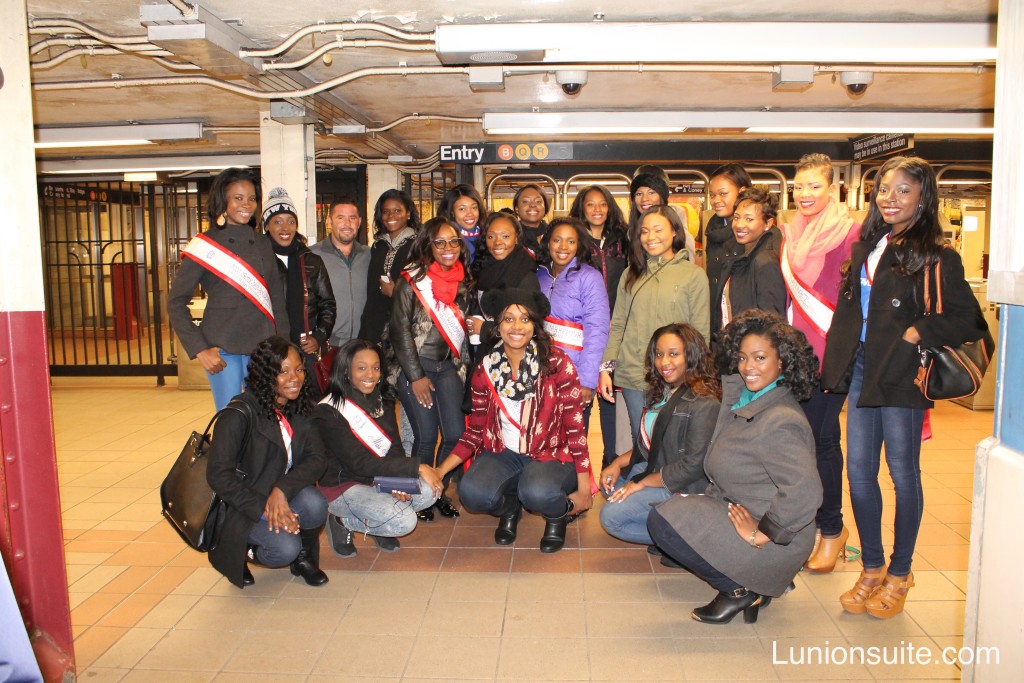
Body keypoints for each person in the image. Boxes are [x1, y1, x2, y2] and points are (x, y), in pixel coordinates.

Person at [822, 156, 989, 618]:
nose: (890, 198)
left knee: (902, 473)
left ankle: (900, 573)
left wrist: (916, 332)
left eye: (903, 190)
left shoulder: (937, 255)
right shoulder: (871, 245)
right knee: (859, 474)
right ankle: (872, 567)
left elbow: (969, 320)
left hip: (901, 373)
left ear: (923, 197)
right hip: (862, 368)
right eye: (883, 189)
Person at [647, 310, 822, 624]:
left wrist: (763, 532)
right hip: (740, 509)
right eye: (742, 358)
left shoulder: (780, 420)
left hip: (775, 538)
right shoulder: (747, 400)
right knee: (670, 513)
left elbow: (805, 491)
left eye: (759, 358)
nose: (748, 367)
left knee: (664, 521)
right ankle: (752, 581)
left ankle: (741, 590)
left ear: (782, 361)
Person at [436, 288, 592, 553]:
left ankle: (556, 516)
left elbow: (575, 428)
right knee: (471, 494)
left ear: (535, 325)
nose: (517, 326)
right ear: (497, 326)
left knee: (536, 492)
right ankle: (510, 508)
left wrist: (585, 489)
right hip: (505, 452)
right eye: (508, 319)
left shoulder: (557, 363)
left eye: (525, 319)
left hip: (551, 452)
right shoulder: (485, 369)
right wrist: (440, 472)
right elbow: (475, 431)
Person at [780, 153, 860, 573]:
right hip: (796, 356)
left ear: (833, 189)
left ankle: (832, 530)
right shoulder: (791, 233)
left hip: (832, 356)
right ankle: (813, 526)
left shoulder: (851, 234)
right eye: (799, 186)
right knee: (803, 443)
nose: (805, 194)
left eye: (814, 186)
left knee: (823, 440)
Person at [206, 335, 329, 589]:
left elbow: (317, 459)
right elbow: (219, 475)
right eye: (283, 372)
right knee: (284, 548)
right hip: (243, 504)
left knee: (315, 503)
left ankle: (302, 560)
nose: (294, 378)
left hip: (280, 492)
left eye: (298, 370)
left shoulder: (301, 407)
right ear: (265, 374)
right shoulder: (239, 414)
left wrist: (281, 490)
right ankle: (239, 550)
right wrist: (264, 507)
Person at [169, 168, 288, 411]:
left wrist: (283, 348)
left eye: (252, 198)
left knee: (266, 417)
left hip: (263, 349)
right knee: (231, 419)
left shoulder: (263, 243)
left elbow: (276, 300)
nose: (247, 204)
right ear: (223, 201)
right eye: (238, 198)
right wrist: (200, 349)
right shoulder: (205, 245)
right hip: (223, 350)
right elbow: (175, 302)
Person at [313, 339, 442, 556]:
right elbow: (359, 464)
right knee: (404, 521)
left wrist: (397, 482)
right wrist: (416, 468)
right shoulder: (329, 410)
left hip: (376, 478)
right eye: (361, 368)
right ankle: (341, 521)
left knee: (431, 491)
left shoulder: (382, 400)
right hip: (345, 486)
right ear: (346, 371)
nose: (370, 375)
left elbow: (394, 448)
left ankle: (377, 520)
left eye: (375, 368)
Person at [599, 323, 720, 548]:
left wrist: (642, 483)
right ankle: (667, 522)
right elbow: (649, 446)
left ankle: (684, 539)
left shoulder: (704, 403)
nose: (664, 362)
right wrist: (616, 463)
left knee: (611, 518)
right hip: (658, 467)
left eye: (673, 354)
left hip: (683, 485)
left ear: (691, 356)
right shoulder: (661, 392)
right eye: (659, 354)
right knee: (609, 487)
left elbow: (693, 467)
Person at [599, 205, 710, 444]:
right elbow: (618, 325)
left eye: (658, 230)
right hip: (633, 375)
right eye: (645, 231)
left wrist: (696, 376)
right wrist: (606, 368)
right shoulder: (631, 274)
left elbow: (700, 332)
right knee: (641, 442)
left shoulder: (693, 275)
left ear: (674, 231)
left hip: (676, 377)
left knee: (672, 443)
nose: (651, 237)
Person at [388, 217, 471, 521]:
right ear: (428, 245)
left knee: (456, 433)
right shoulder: (410, 281)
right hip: (416, 365)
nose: (448, 248)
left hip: (448, 365)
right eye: (440, 242)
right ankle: (418, 496)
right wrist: (416, 376)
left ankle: (436, 491)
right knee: (425, 435)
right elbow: (399, 331)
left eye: (454, 241)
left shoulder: (463, 281)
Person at [568, 184, 630, 467]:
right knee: (581, 399)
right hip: (582, 333)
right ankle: (577, 467)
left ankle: (610, 463)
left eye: (602, 204)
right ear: (582, 208)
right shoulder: (574, 242)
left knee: (610, 400)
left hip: (616, 331)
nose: (597, 209)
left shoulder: (622, 242)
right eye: (591, 204)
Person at [535, 218, 609, 430]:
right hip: (541, 373)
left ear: (579, 245)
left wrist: (586, 381)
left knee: (572, 440)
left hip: (574, 374)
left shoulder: (589, 277)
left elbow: (597, 331)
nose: (563, 247)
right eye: (557, 240)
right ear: (548, 243)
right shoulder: (539, 275)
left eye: (570, 241)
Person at [263, 187, 336, 395]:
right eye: (277, 221)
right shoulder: (260, 261)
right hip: (271, 350)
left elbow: (328, 305)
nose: (285, 228)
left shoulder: (312, 261)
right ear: (267, 225)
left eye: (290, 221)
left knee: (310, 404)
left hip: (306, 350)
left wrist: (319, 337)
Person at [712, 186, 786, 334]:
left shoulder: (766, 262)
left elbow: (772, 325)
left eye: (749, 219)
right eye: (737, 217)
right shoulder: (738, 253)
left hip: (752, 345)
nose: (739, 225)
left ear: (768, 223)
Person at [466, 212, 540, 347]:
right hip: (486, 350)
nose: (497, 242)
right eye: (491, 237)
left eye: (505, 236)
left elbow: (529, 328)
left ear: (516, 238)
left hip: (512, 353)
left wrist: (484, 329)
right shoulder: (486, 267)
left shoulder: (524, 275)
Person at [358, 189, 420, 342]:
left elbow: (425, 292)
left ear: (408, 213)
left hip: (404, 326)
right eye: (386, 211)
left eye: (397, 210)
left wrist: (395, 293)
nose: (391, 215)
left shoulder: (419, 246)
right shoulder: (378, 246)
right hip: (374, 325)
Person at [310, 198, 370, 349]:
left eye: (352, 218)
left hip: (363, 346)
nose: (347, 224)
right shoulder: (312, 255)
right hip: (327, 346)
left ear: (359, 222)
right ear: (329, 221)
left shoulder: (370, 255)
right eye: (341, 218)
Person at [702, 164, 753, 299]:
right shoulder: (712, 229)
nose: (716, 200)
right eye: (712, 195)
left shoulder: (754, 230)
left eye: (723, 194)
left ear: (742, 192)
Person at [629, 165, 696, 262]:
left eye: (651, 192)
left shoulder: (680, 233)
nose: (644, 199)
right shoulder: (631, 232)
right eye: (639, 194)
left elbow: (688, 268)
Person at [438, 184, 486, 262]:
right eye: (462, 209)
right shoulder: (446, 240)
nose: (470, 214)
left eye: (474, 207)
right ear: (452, 212)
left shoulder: (488, 234)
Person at [513, 183, 550, 250]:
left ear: (545, 207)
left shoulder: (553, 234)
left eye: (538, 202)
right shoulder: (511, 235)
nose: (532, 205)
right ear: (516, 208)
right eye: (525, 201)